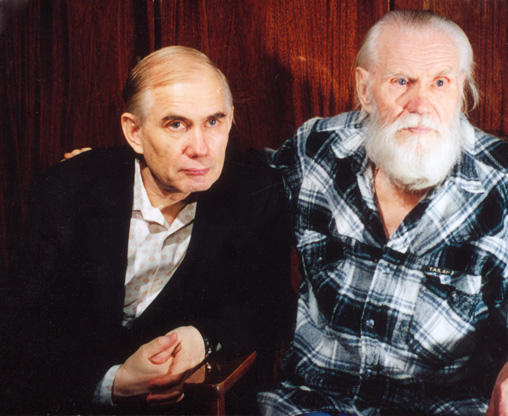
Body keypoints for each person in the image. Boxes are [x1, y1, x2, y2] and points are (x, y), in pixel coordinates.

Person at [258, 10, 508, 416]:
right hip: (313, 403)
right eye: (401, 81)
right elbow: (238, 196)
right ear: (365, 89)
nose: (421, 104)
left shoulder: (505, 182)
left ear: (461, 89)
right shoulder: (316, 149)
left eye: (440, 83)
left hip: (444, 407)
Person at [1, 46, 294, 413]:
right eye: (176, 124)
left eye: (213, 122)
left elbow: (270, 305)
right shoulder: (68, 189)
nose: (201, 148)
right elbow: (18, 329)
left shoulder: (255, 194)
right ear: (134, 132)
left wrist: (202, 338)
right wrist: (112, 383)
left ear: (232, 118)